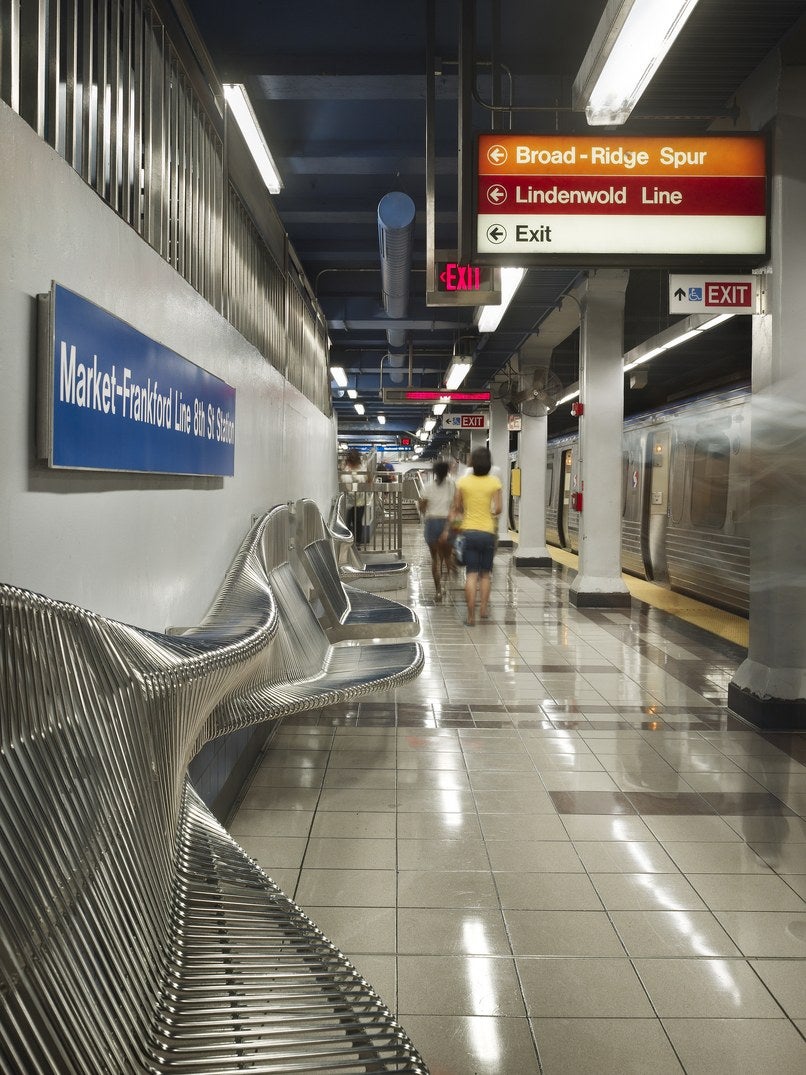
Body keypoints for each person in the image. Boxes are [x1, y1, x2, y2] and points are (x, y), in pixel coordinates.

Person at [445, 446, 502, 626]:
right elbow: (498, 509)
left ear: (472, 463)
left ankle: (470, 616)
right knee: (485, 575)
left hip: (468, 532)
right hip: (487, 533)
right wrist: (489, 515)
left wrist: (453, 526)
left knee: (471, 574)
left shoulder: (463, 482)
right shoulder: (494, 482)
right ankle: (483, 609)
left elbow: (456, 508)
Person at [418, 460, 456, 601]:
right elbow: (456, 506)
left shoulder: (427, 487)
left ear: (434, 472)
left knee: (435, 559)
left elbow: (422, 508)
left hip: (432, 523)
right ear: (447, 472)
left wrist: (425, 509)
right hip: (447, 523)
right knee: (447, 557)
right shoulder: (452, 486)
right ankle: (447, 582)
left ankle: (438, 591)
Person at [339, 448, 368, 544]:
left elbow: (366, 481)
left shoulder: (362, 469)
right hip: (348, 500)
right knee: (347, 521)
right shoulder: (346, 468)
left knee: (357, 522)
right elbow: (344, 481)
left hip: (360, 501)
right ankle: (348, 542)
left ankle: (357, 542)